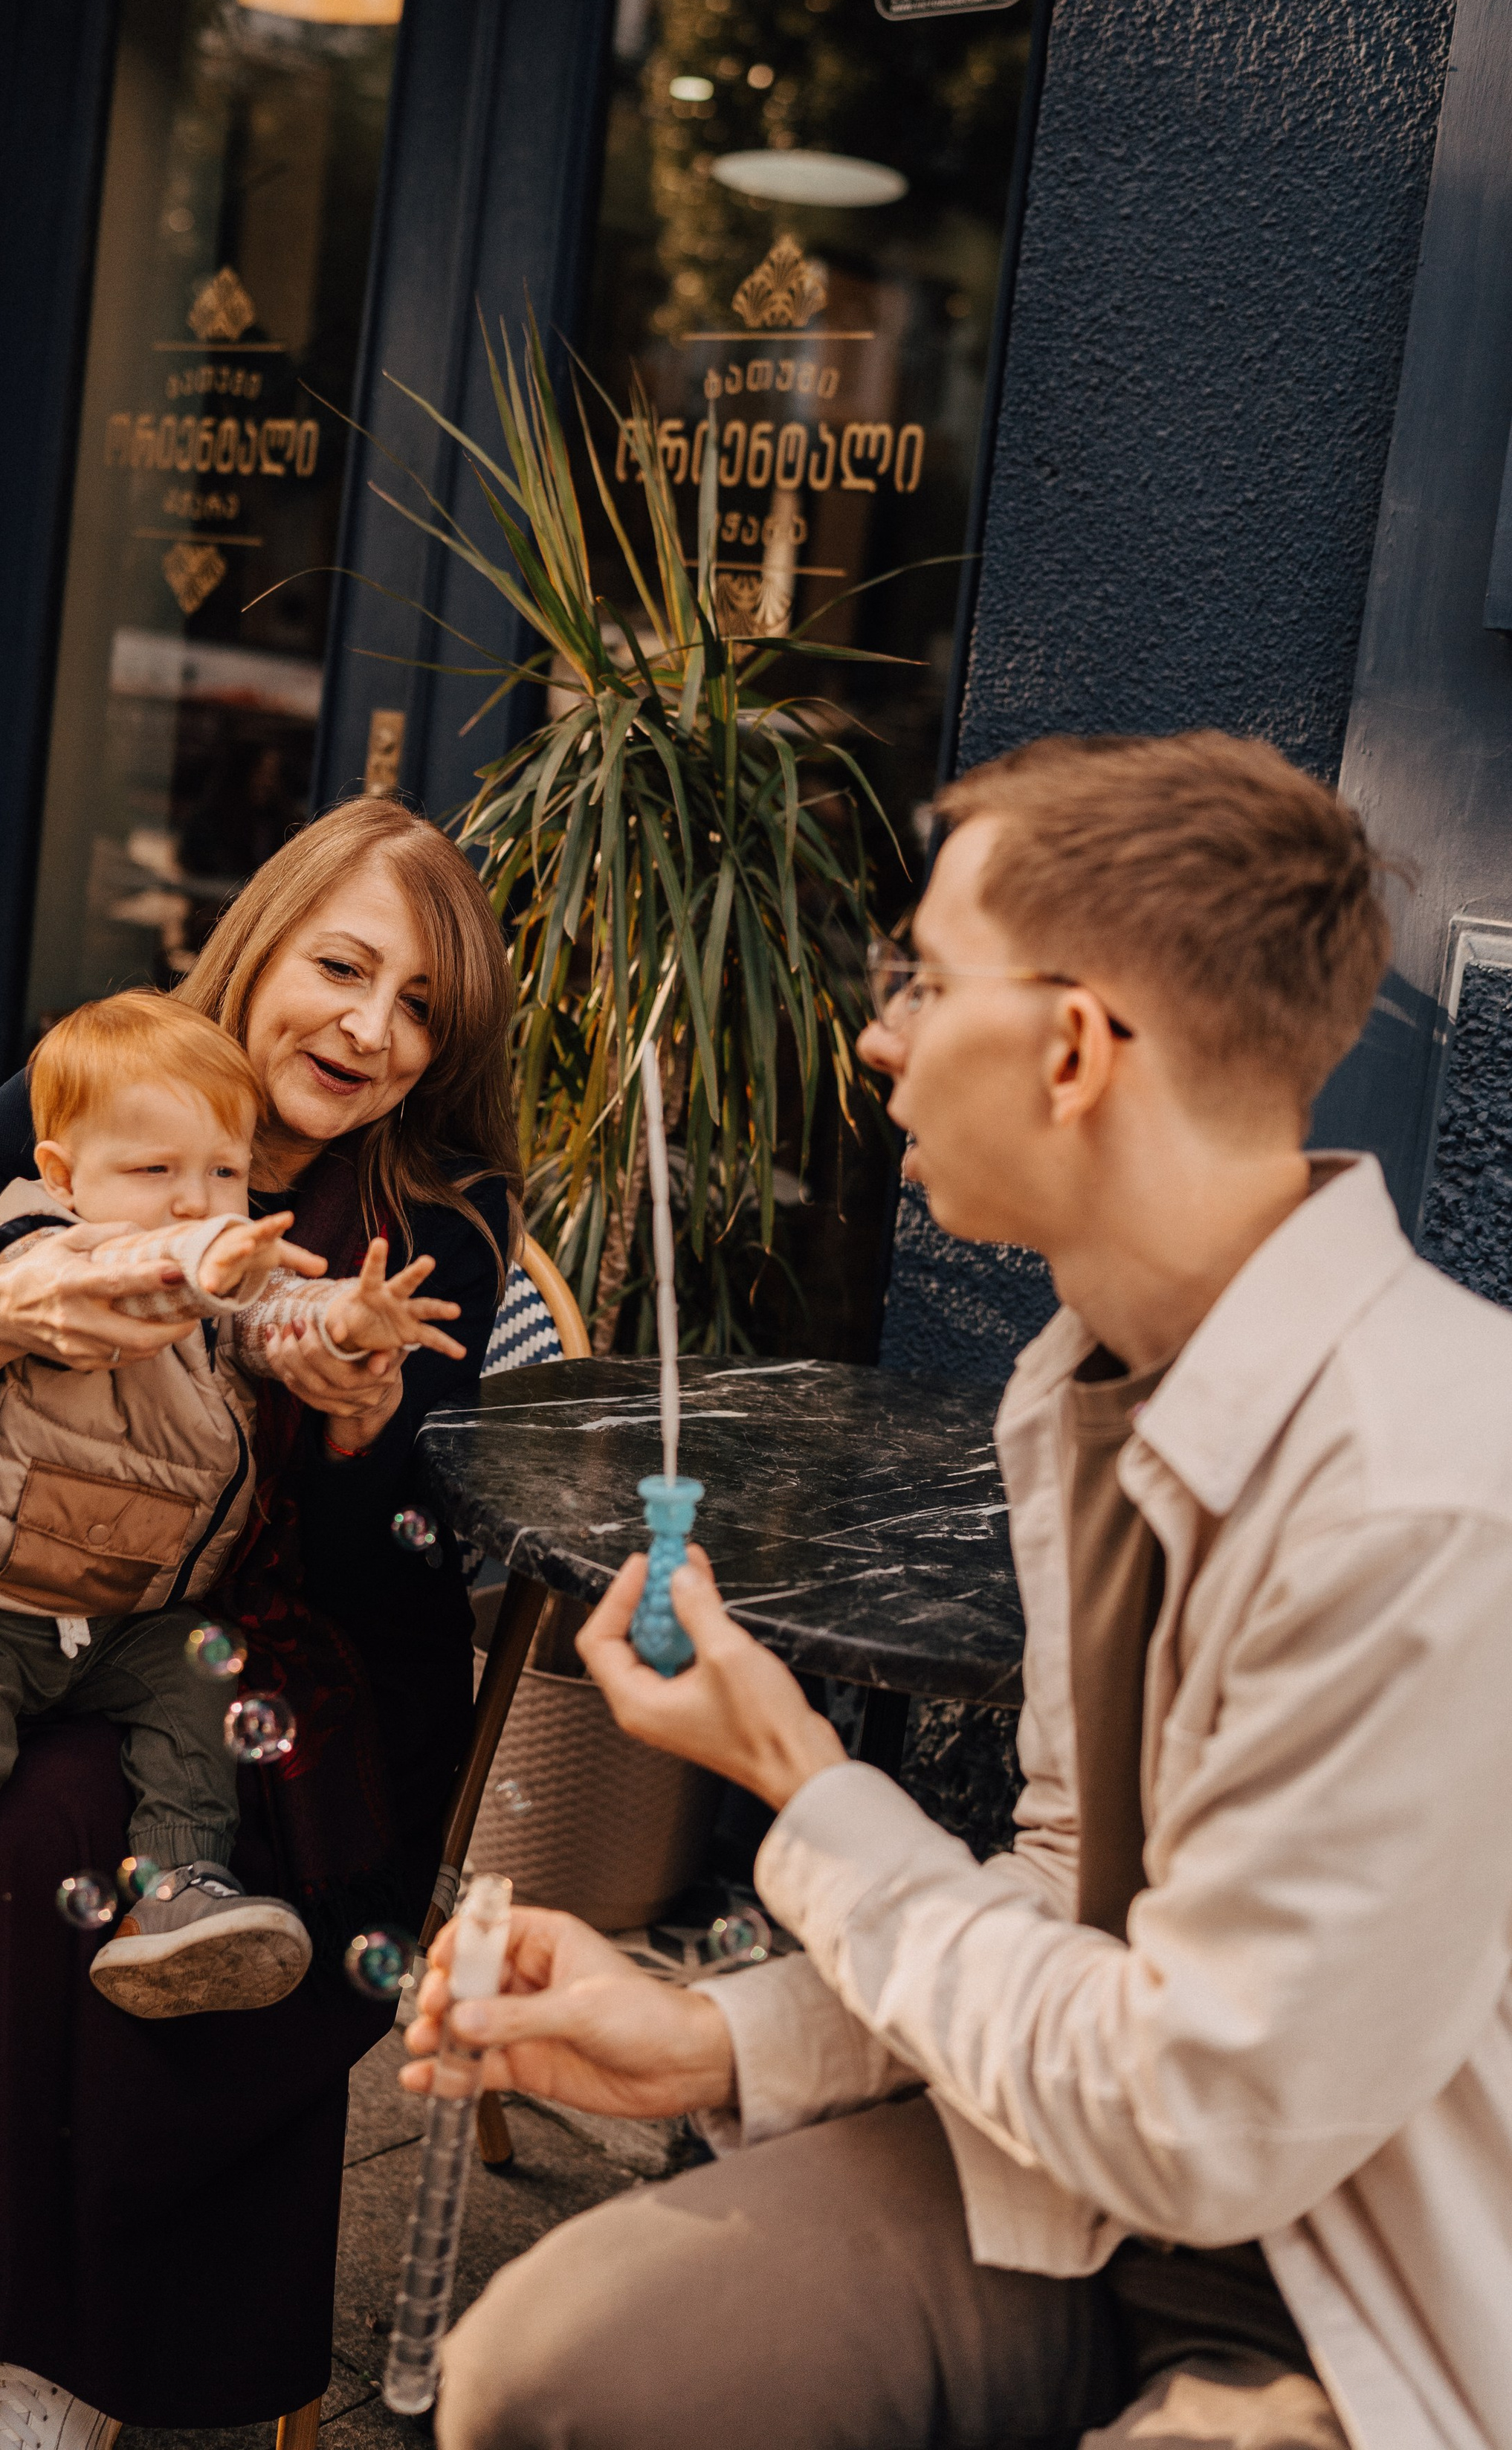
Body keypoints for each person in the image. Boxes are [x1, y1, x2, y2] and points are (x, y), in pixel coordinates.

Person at [413, 732, 1512, 2450]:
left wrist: (795, 1773)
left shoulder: (1428, 1494)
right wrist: (709, 2038)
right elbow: (1073, 1901)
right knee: (550, 2374)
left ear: (1071, 1048)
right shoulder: (1070, 1388)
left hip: (1362, 2300)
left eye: (919, 980)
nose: (878, 1037)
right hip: (1082, 2183)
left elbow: (1194, 2115)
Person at [0, 798, 519, 2449]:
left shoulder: (439, 1221)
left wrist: (356, 1431)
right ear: (258, 943)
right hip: (35, 1606)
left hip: (303, 1673)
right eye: (342, 967)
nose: (373, 1027)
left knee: (61, 1804)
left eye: (423, 1005)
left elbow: (391, 1556)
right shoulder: (85, 1101)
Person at [0, 990, 470, 2210]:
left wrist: (343, 1320)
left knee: (202, 1675)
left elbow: (265, 1312)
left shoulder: (220, 1267)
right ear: (62, 1171)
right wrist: (203, 1256)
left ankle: (176, 1894)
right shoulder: (45, 1246)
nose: (198, 1199)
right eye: (156, 1168)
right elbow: (141, 1275)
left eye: (226, 1172)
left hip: (127, 1615)